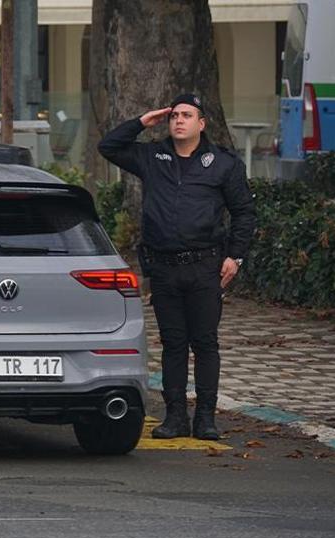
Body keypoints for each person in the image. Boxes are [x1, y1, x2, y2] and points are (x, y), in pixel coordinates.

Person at [98, 93, 256, 440]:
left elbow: (244, 212)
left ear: (202, 123)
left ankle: (205, 418)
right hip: (165, 267)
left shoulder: (223, 163)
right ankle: (175, 417)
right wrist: (143, 121)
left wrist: (236, 256)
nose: (179, 121)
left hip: (205, 266)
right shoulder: (153, 156)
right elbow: (108, 147)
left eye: (187, 115)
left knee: (205, 343)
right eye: (174, 116)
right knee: (173, 344)